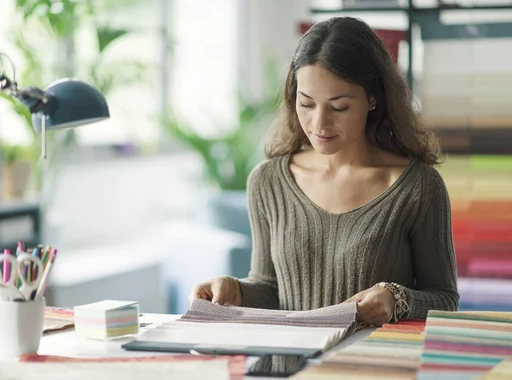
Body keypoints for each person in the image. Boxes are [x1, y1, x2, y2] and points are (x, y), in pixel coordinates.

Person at [189, 16, 459, 326]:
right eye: (306, 104)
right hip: (283, 371)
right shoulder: (268, 181)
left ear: (373, 99)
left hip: (370, 369)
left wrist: (396, 297)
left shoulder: (419, 188)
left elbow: (445, 298)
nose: (319, 123)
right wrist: (234, 289)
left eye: (339, 106)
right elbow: (271, 290)